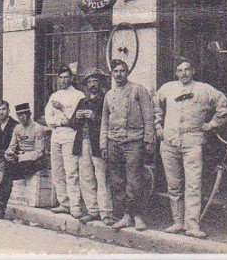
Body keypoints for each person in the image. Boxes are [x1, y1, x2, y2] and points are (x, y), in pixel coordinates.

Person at [153, 57, 227, 239]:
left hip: (193, 143)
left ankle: (192, 226)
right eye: (180, 70)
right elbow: (155, 104)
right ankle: (177, 222)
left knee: (193, 185)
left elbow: (225, 106)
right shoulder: (167, 88)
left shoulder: (204, 89)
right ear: (176, 73)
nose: (184, 74)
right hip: (169, 142)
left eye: (187, 70)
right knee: (174, 185)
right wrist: (158, 126)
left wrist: (212, 124)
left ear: (193, 71)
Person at [100, 59, 155, 232]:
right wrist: (103, 145)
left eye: (122, 70)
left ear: (128, 72)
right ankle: (126, 215)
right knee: (117, 181)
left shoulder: (138, 90)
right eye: (115, 71)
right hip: (113, 142)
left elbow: (148, 117)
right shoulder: (109, 94)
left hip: (133, 141)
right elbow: (104, 121)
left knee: (134, 180)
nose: (119, 74)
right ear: (112, 74)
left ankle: (137, 216)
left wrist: (148, 140)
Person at [0, 103, 48, 220]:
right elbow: (12, 146)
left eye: (24, 114)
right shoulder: (17, 128)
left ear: (29, 114)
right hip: (21, 160)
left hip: (35, 161)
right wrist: (8, 154)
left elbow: (39, 152)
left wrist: (19, 158)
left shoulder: (38, 129)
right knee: (4, 166)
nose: (22, 117)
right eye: (19, 115)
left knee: (6, 169)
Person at [44, 65, 85, 218]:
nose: (63, 80)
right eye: (61, 77)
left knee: (71, 172)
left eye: (66, 77)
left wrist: (62, 109)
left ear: (72, 78)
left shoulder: (78, 95)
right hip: (56, 135)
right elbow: (48, 119)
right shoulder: (54, 95)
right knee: (57, 171)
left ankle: (75, 205)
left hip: (70, 136)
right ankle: (64, 203)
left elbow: (74, 119)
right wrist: (61, 122)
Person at [69, 68, 108, 224]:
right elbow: (71, 123)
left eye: (95, 81)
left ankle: (105, 212)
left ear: (100, 83)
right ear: (86, 85)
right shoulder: (82, 101)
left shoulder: (106, 99)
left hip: (98, 143)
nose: (92, 85)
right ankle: (92, 210)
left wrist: (94, 117)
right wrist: (77, 116)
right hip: (83, 143)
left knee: (101, 177)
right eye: (89, 82)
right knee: (86, 177)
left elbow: (110, 121)